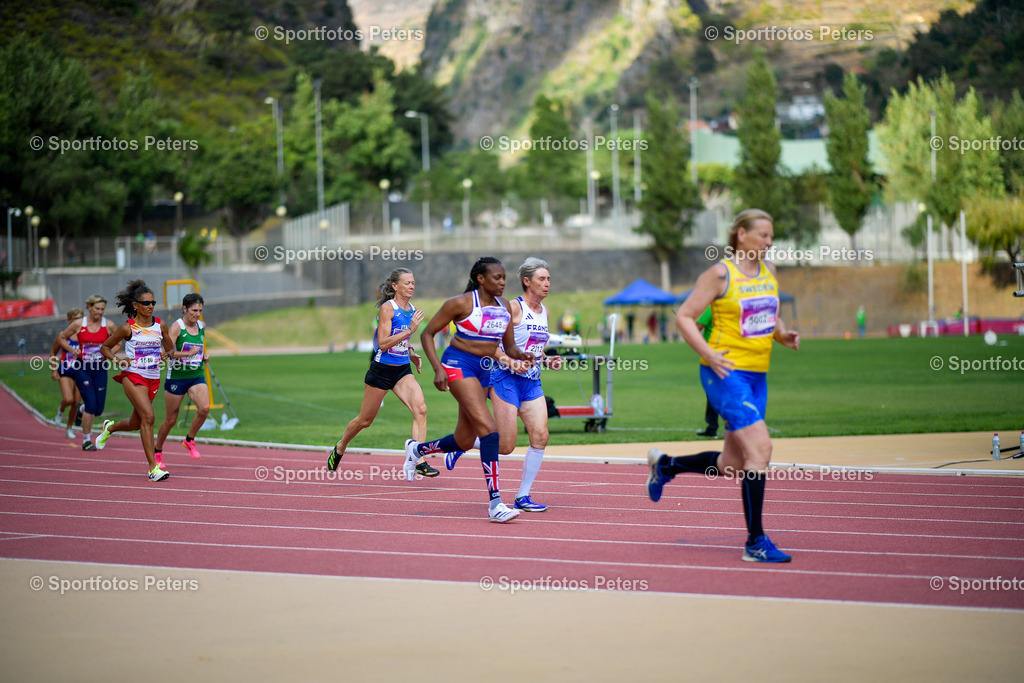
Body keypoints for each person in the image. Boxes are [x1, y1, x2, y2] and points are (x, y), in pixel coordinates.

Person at [648, 209, 800, 563]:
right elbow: (684, 316)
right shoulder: (719, 274)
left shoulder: (769, 272)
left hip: (756, 376)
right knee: (760, 450)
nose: (769, 241)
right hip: (723, 373)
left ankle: (667, 466)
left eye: (771, 235)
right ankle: (755, 542)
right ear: (741, 235)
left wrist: (782, 334)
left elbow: (768, 311)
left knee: (733, 463)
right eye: (763, 234)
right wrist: (709, 354)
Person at [404, 257, 533, 523]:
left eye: (504, 277)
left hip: (484, 369)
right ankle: (496, 503)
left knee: (464, 439)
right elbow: (427, 334)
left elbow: (509, 348)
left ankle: (417, 450)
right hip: (458, 365)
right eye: (496, 277)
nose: (502, 282)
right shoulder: (461, 303)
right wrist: (438, 368)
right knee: (489, 430)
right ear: (480, 279)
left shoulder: (504, 306)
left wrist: (524, 355)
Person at [326, 268, 438, 477]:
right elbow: (383, 344)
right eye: (407, 283)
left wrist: (411, 352)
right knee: (365, 421)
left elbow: (403, 341)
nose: (411, 286)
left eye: (413, 283)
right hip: (382, 371)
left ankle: (418, 459)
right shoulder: (388, 309)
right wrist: (410, 330)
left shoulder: (413, 309)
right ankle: (341, 446)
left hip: (402, 370)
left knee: (420, 409)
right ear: (395, 286)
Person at [95, 280, 175, 482]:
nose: (150, 306)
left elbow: (170, 348)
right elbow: (105, 348)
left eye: (153, 303)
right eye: (146, 303)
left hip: (153, 379)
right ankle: (152, 468)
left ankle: (109, 428)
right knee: (149, 417)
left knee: (135, 423)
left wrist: (167, 354)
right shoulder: (127, 329)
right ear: (135, 305)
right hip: (133, 376)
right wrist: (117, 360)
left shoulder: (160, 325)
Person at [152, 293, 210, 470]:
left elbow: (197, 348)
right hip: (177, 377)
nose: (197, 314)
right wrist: (187, 354)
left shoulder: (202, 326)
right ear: (185, 309)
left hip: (196, 375)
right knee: (170, 420)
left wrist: (203, 356)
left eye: (200, 310)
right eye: (194, 310)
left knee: (205, 408)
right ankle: (157, 451)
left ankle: (189, 439)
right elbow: (165, 354)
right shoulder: (176, 328)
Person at [57, 295, 118, 451]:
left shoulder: (109, 325)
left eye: (102, 309)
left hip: (100, 368)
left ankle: (81, 409)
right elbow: (61, 338)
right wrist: (72, 350)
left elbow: (118, 344)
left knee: (98, 410)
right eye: (96, 309)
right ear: (89, 307)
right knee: (91, 404)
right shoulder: (79, 324)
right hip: (82, 367)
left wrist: (109, 354)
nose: (99, 312)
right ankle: (86, 440)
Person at [50, 308, 84, 437]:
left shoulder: (84, 334)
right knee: (68, 399)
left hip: (81, 372)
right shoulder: (63, 335)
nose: (77, 321)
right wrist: (54, 370)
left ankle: (69, 428)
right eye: (75, 319)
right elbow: (53, 352)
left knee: (76, 402)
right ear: (69, 320)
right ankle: (60, 411)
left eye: (80, 319)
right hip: (65, 370)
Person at [694, 306, 719, 438]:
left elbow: (697, 327)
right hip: (730, 354)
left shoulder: (711, 308)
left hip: (712, 356)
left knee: (713, 391)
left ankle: (712, 427)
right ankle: (714, 427)